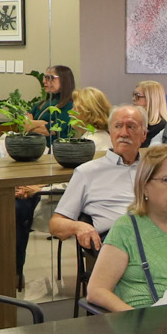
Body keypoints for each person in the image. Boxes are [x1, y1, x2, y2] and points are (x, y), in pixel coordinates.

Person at [83, 147, 167, 311]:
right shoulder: (126, 228)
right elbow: (96, 291)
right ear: (145, 186)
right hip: (147, 325)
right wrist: (136, 320)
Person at [51, 104, 149, 249]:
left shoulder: (153, 169)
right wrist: (78, 227)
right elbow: (55, 224)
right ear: (110, 131)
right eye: (118, 126)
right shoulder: (87, 172)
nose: (123, 133)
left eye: (131, 126)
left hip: (160, 235)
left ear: (144, 134)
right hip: (119, 242)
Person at [26, 64, 75, 143]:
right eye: (45, 77)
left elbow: (53, 131)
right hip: (34, 145)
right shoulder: (41, 104)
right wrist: (43, 123)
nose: (44, 81)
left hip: (55, 149)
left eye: (50, 78)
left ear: (64, 80)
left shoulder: (69, 106)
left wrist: (31, 124)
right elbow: (24, 125)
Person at [70, 87, 113, 154]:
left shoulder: (89, 143)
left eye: (75, 108)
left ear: (87, 112)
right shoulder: (105, 137)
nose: (70, 112)